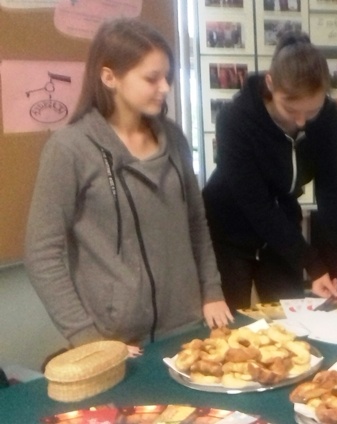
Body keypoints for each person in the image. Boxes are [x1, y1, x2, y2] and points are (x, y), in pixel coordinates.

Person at [24, 19, 233, 354]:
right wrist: (88, 339)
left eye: (167, 77)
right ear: (109, 78)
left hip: (187, 326)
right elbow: (41, 253)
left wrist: (211, 291)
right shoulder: (69, 148)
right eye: (151, 78)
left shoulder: (174, 139)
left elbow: (196, 222)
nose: (164, 88)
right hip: (116, 340)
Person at [203, 32, 337, 310]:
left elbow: (333, 191)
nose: (301, 122)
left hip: (282, 229)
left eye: (311, 111)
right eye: (290, 109)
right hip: (229, 230)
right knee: (232, 325)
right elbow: (256, 204)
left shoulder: (328, 117)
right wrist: (312, 262)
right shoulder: (235, 118)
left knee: (291, 321)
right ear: (270, 83)